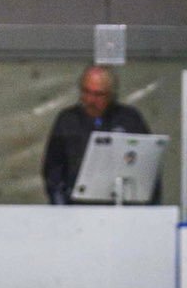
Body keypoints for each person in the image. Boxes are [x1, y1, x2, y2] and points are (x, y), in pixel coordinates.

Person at [41, 66, 151, 204]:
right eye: (86, 92)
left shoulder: (129, 119)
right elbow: (53, 169)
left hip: (122, 205)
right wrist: (61, 208)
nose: (91, 100)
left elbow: (148, 163)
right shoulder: (67, 120)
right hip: (76, 207)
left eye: (98, 94)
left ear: (111, 94)